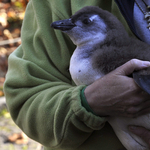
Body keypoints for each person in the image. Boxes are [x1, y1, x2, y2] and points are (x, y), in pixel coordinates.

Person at [3, 0, 150, 149]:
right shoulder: (55, 4)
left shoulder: (110, 57)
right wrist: (88, 102)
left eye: (86, 22)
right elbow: (27, 98)